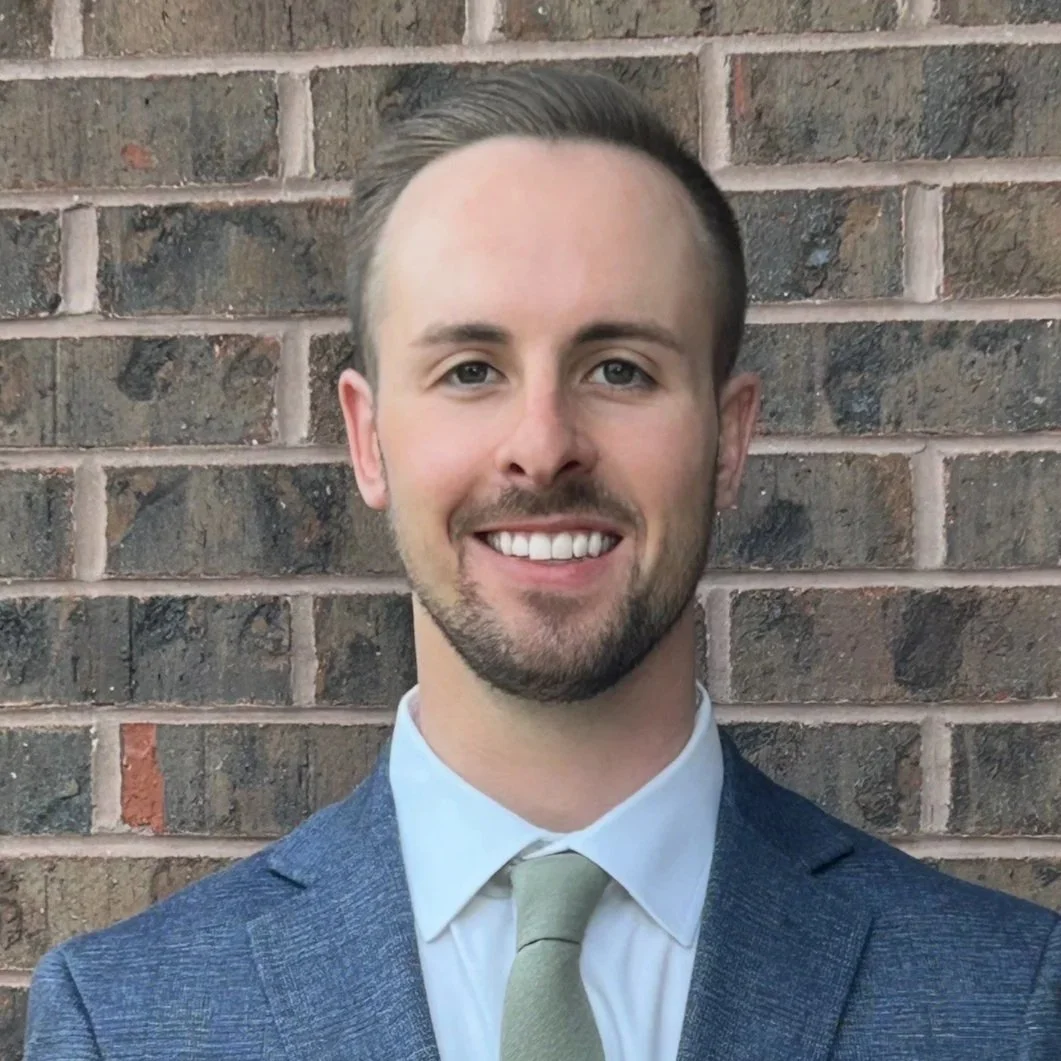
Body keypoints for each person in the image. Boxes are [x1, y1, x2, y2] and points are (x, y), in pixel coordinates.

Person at [25, 66, 1060, 1061]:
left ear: (727, 439)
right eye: (470, 370)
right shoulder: (131, 1019)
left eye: (618, 368)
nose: (542, 442)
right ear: (369, 438)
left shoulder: (1001, 999)